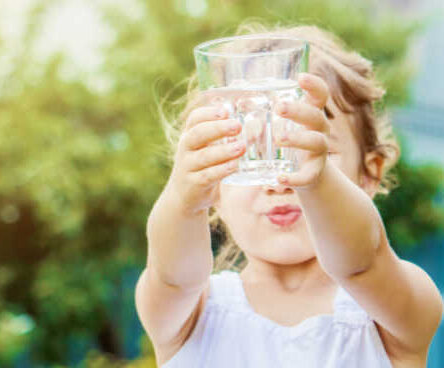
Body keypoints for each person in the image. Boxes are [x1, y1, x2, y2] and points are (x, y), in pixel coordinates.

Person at [135, 23, 443, 367]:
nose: (280, 181)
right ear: (213, 192)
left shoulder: (393, 312)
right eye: (250, 151)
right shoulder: (188, 313)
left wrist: (317, 182)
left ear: (369, 174)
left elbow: (361, 262)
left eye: (309, 146)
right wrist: (182, 198)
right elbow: (170, 275)